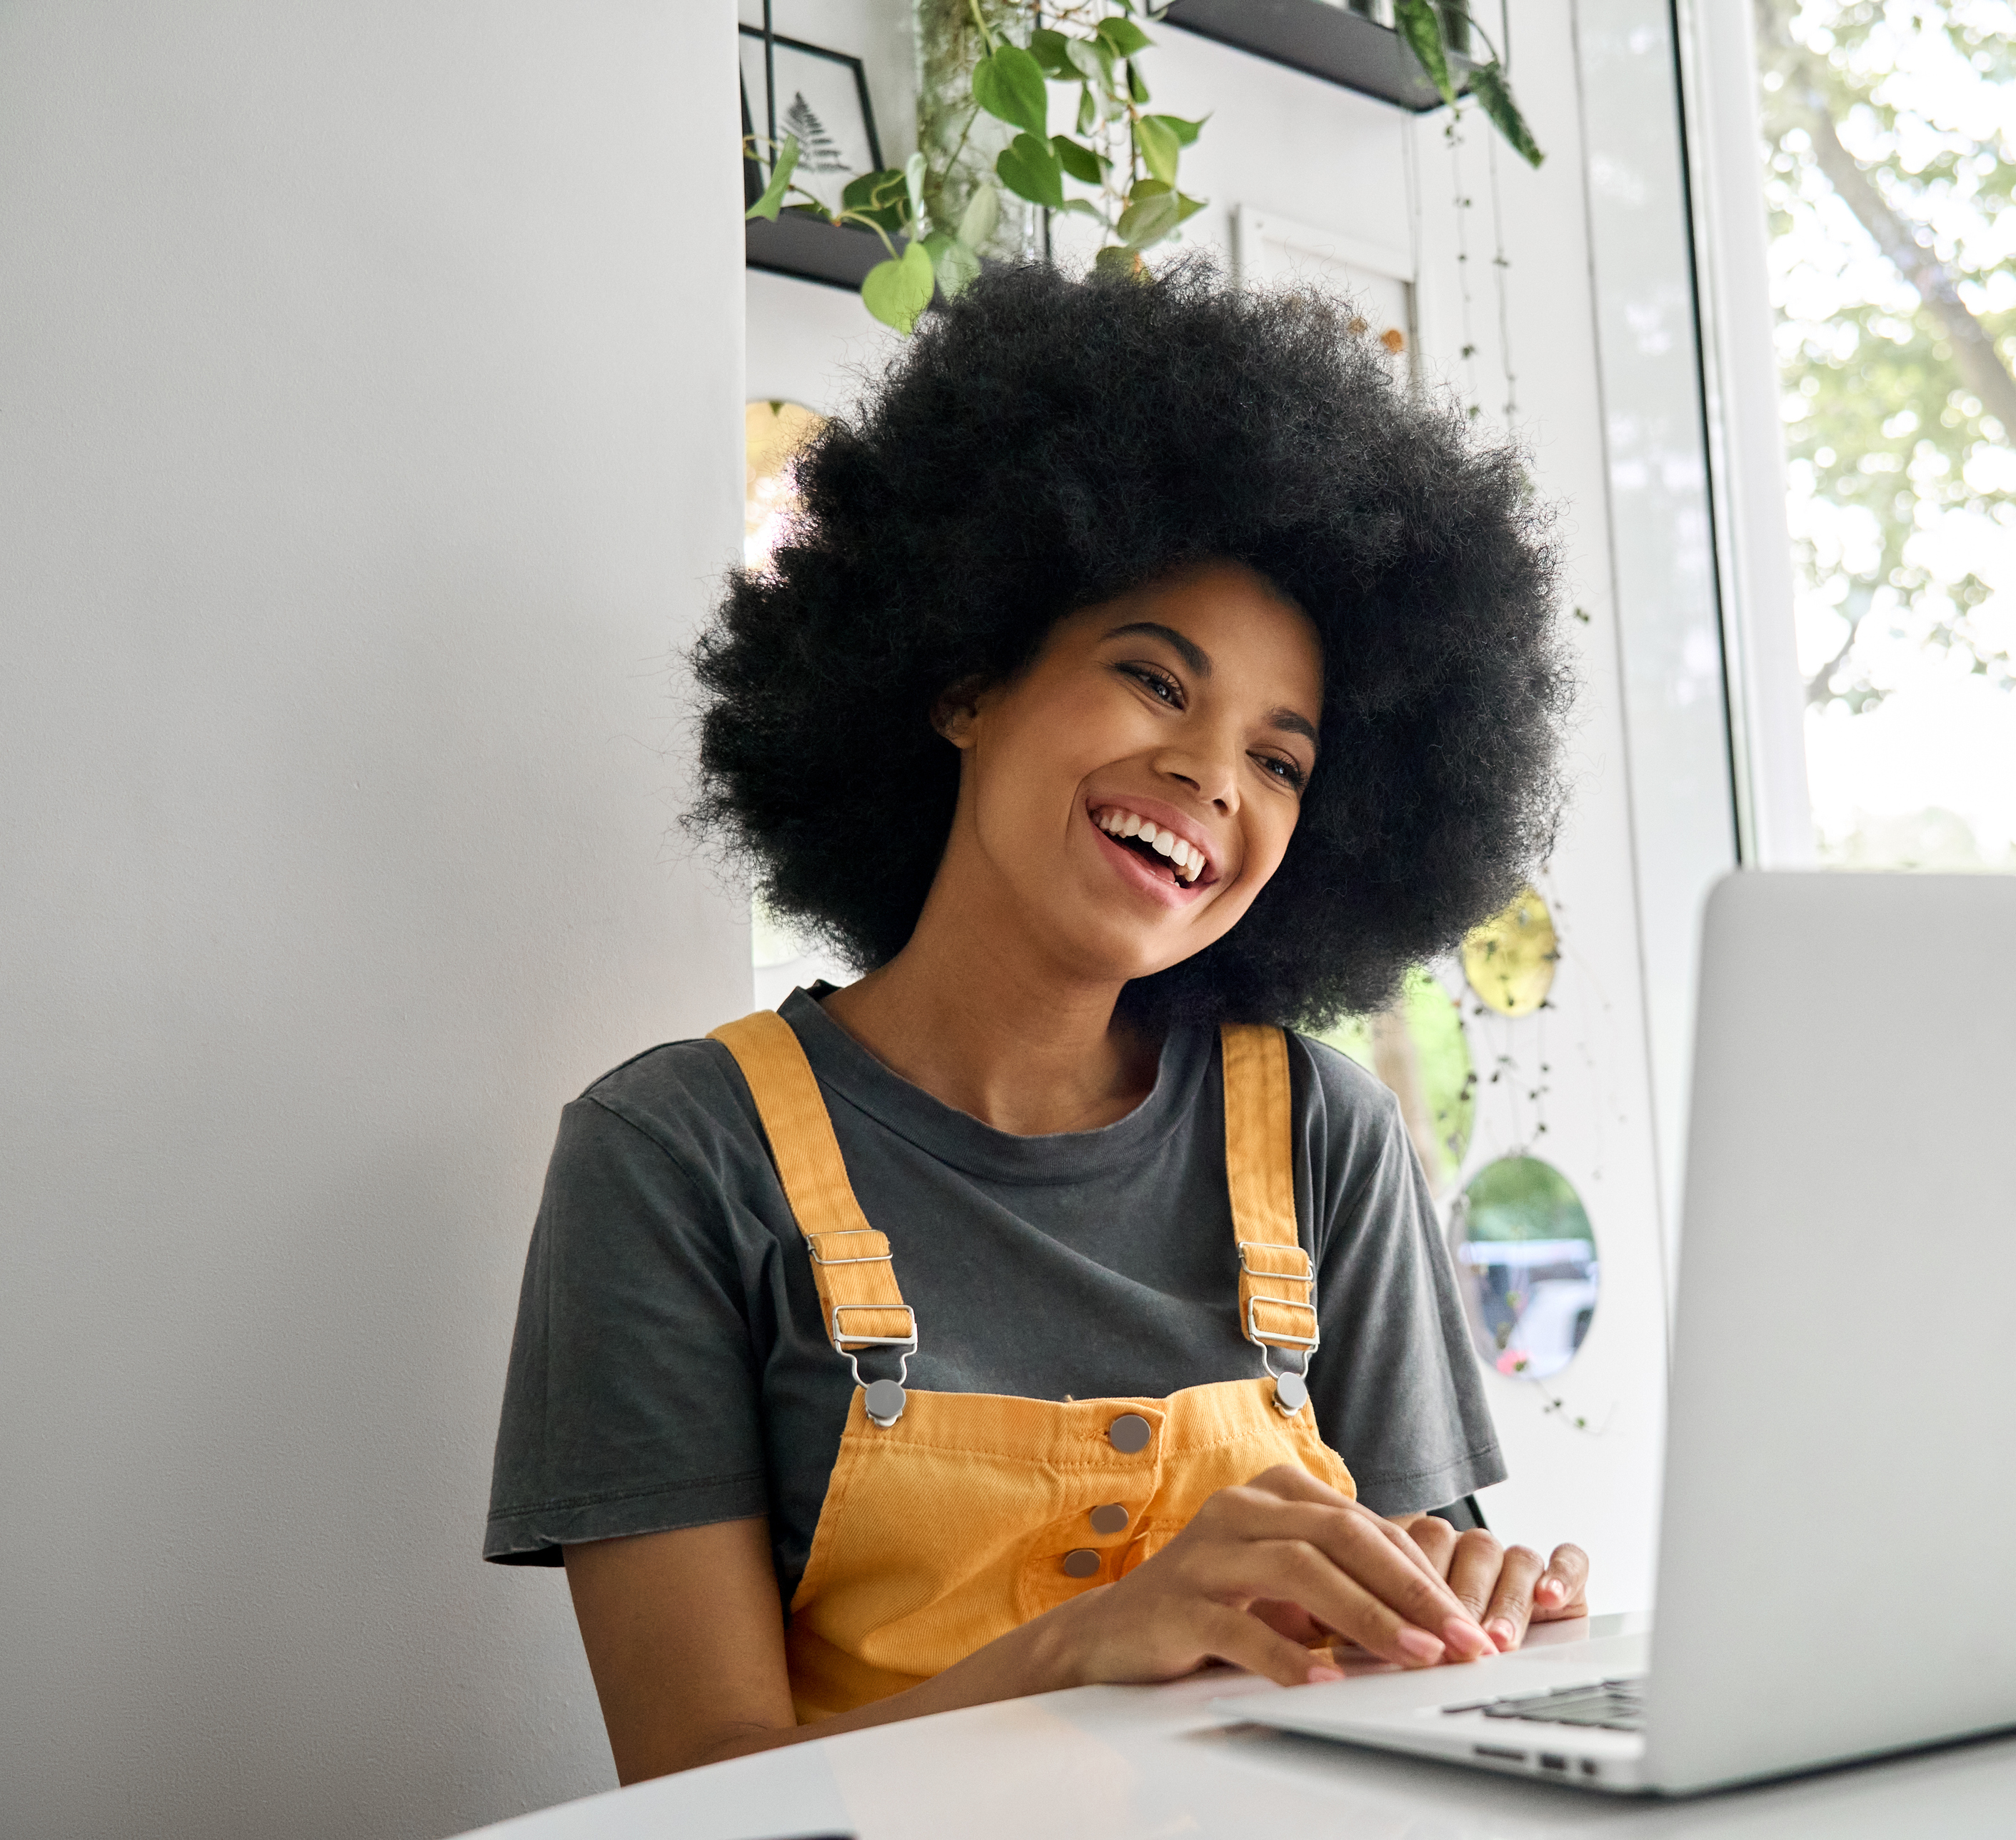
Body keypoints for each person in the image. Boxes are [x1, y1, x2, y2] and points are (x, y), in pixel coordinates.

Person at [483, 261, 1589, 1785]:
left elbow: (1421, 1677)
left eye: (1282, 759)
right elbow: (692, 1785)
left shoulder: (1324, 1133)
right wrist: (1084, 1645)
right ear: (963, 679)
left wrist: (1471, 1608)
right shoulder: (676, 1154)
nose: (1212, 776)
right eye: (1153, 679)